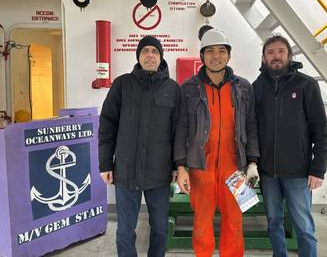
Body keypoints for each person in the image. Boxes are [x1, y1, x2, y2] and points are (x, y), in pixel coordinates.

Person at [174, 29, 260, 257]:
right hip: (200, 169)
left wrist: (252, 162)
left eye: (222, 51)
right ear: (202, 56)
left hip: (235, 170)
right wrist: (181, 167)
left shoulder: (243, 88)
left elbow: (251, 126)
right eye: (210, 51)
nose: (216, 56)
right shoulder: (189, 88)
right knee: (202, 226)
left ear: (229, 56)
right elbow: (181, 128)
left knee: (234, 224)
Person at [98, 35, 180, 257]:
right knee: (125, 230)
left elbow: (178, 131)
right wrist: (105, 164)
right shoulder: (122, 85)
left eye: (155, 51)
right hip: (126, 171)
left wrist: (177, 166)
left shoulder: (172, 89)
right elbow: (107, 125)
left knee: (161, 229)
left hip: (159, 173)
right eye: (145, 51)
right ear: (138, 56)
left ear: (161, 56)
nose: (150, 55)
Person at [252, 35, 327, 257]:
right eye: (271, 52)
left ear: (289, 55)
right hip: (268, 174)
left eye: (280, 51)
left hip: (298, 174)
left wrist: (318, 169)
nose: (276, 56)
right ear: (264, 58)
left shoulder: (307, 85)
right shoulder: (257, 87)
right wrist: (253, 164)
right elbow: (254, 129)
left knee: (303, 226)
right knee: (274, 222)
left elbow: (321, 130)